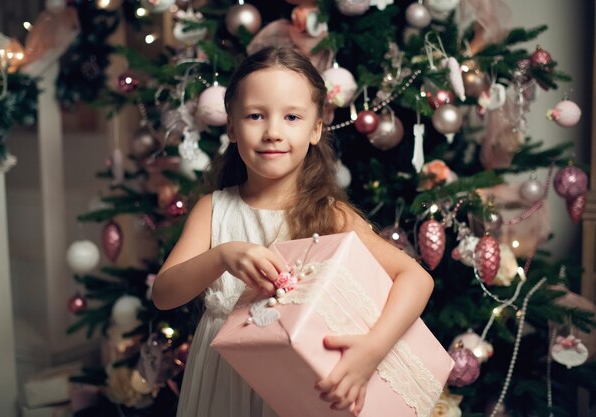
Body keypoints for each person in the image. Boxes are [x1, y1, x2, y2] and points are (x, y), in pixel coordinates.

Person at [152, 46, 434, 417]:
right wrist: (221, 256)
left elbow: (416, 277)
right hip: (223, 378)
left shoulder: (330, 215)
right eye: (255, 115)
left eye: (291, 117)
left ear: (316, 129)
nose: (272, 132)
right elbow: (164, 294)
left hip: (296, 379)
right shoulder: (213, 209)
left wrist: (372, 349)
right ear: (233, 128)